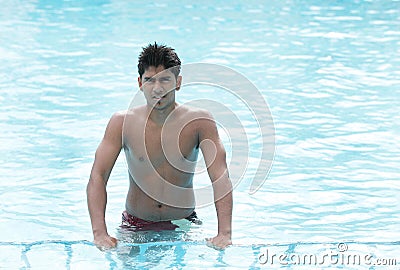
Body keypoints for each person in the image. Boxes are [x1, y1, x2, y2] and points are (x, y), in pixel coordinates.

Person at [86, 42, 233, 250]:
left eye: (165, 79)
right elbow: (97, 176)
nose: (157, 88)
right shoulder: (122, 123)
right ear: (139, 83)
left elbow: (220, 176)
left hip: (183, 224)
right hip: (135, 225)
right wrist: (99, 233)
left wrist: (224, 233)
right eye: (149, 80)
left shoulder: (200, 122)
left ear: (178, 82)